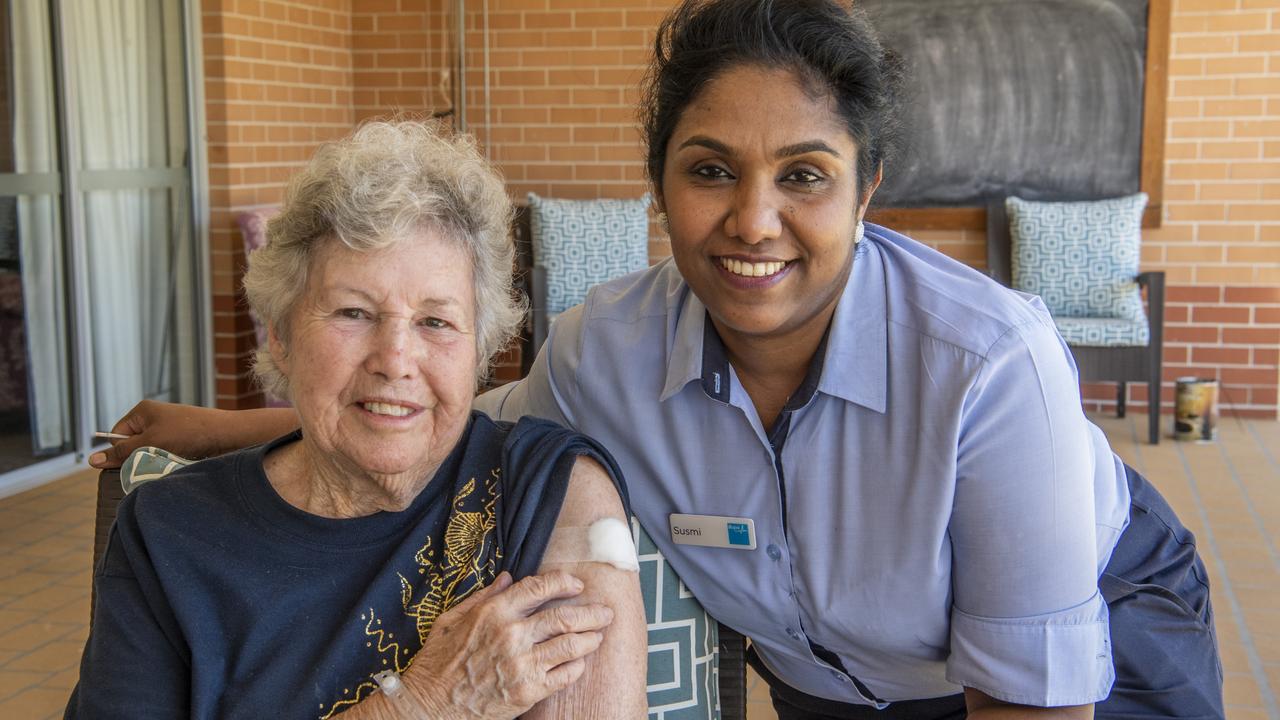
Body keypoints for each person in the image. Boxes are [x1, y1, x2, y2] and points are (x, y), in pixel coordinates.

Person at [92, 1, 1223, 718]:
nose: (754, 220)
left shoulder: (986, 362)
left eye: (804, 175)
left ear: (868, 189)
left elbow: (1029, 704)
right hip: (835, 677)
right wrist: (226, 427)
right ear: (659, 183)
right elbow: (433, 406)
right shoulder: (610, 348)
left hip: (1092, 634)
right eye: (709, 169)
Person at [68, 121, 647, 719]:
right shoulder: (169, 531)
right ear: (283, 336)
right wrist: (424, 705)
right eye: (354, 312)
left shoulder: (551, 490)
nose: (395, 360)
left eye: (436, 322)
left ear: (479, 352)